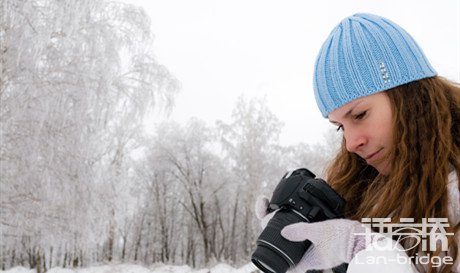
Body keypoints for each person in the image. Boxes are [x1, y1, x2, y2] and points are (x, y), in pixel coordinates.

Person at [255, 13, 459, 273]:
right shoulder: (366, 188)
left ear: (409, 96)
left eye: (360, 115)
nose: (351, 144)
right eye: (340, 127)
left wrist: (370, 252)